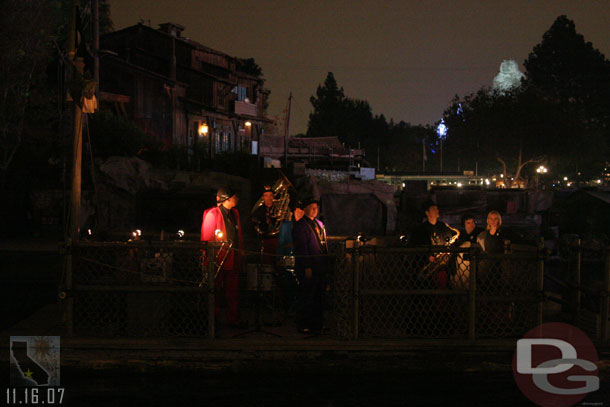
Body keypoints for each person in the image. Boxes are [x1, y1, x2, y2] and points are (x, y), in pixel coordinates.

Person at [201, 186, 244, 327]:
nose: (237, 198)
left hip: (232, 258)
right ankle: (214, 320)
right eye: (235, 196)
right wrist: (208, 260)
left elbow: (238, 235)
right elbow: (207, 239)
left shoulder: (234, 213)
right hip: (218, 260)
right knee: (216, 291)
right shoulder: (212, 214)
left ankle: (233, 319)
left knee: (233, 292)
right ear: (228, 198)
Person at [291, 197, 328, 333]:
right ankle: (304, 324)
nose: (315, 210)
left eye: (316, 208)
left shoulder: (318, 224)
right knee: (307, 295)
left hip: (319, 265)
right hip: (308, 266)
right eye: (312, 207)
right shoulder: (300, 226)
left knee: (318, 296)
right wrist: (306, 266)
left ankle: (317, 323)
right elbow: (302, 248)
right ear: (305, 209)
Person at [410, 200, 460, 289]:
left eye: (437, 208)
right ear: (427, 213)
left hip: (442, 266)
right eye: (434, 209)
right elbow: (415, 246)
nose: (437, 210)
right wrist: (427, 256)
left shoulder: (443, 227)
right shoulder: (420, 230)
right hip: (426, 266)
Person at [251, 185, 280, 264]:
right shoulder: (258, 211)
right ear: (263, 197)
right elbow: (255, 226)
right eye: (266, 196)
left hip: (278, 241)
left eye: (271, 195)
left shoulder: (279, 209)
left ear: (273, 196)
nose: (269, 198)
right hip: (264, 241)